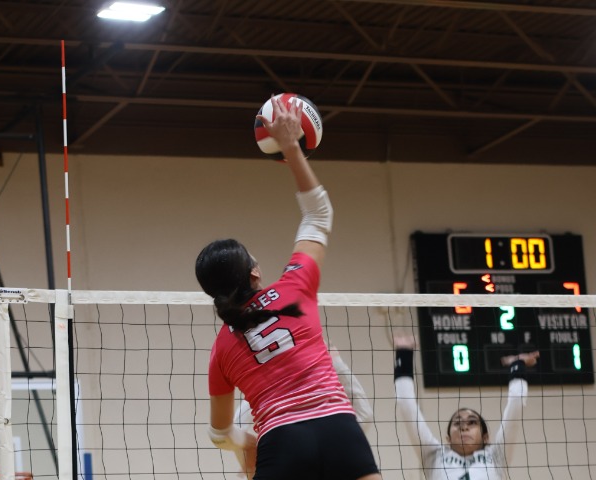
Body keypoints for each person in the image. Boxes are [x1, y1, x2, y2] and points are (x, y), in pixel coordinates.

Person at [195, 95, 382, 480]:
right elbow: (318, 214)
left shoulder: (222, 349)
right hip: (338, 429)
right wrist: (291, 147)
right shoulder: (294, 288)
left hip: (280, 444)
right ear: (254, 274)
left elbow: (219, 433)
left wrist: (247, 442)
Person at [393, 334, 540, 480]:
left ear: (485, 437)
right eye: (457, 423)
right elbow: (406, 404)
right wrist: (404, 353)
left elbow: (516, 403)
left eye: (472, 422)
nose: (464, 427)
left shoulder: (497, 456)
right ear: (448, 439)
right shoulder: (434, 457)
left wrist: (517, 365)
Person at [232, 342, 375, 478]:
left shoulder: (274, 448)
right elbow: (365, 415)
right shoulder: (334, 431)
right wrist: (337, 362)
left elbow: (236, 427)